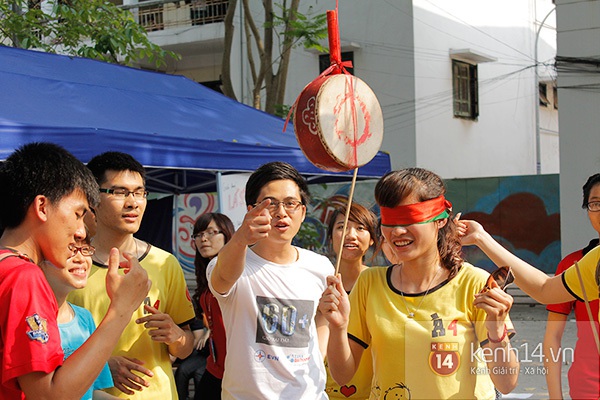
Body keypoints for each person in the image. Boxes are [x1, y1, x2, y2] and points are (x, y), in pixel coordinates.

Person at [320, 168, 519, 399]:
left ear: (440, 220)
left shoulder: (474, 283)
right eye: (390, 221)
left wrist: (496, 332)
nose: (397, 231)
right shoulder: (369, 283)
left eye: (409, 219)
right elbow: (343, 375)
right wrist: (338, 327)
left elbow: (506, 383)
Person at [0, 142, 150, 399]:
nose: (81, 231)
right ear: (42, 207)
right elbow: (50, 395)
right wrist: (121, 310)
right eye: (79, 214)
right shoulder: (24, 276)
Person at [68, 151, 196, 399]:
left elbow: (185, 347)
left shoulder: (164, 263)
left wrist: (177, 336)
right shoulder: (70, 266)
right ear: (93, 198)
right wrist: (101, 369)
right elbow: (53, 348)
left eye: (139, 192)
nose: (133, 202)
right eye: (119, 192)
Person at [207, 161, 334, 399]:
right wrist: (240, 239)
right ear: (251, 211)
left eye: (290, 203)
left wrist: (318, 355)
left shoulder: (320, 266)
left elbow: (322, 318)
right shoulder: (231, 263)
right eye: (271, 204)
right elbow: (222, 278)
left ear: (303, 212)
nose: (281, 212)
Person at [543, 174, 600, 399]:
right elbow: (552, 337)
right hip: (589, 387)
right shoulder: (573, 265)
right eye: (595, 204)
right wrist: (555, 397)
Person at [39, 236, 116, 400]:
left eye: (86, 249)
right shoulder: (32, 323)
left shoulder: (84, 317)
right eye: (71, 249)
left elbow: (92, 393)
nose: (80, 258)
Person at [324, 202, 378, 399]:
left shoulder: (381, 283)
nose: (351, 235)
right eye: (341, 227)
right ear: (331, 238)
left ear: (372, 239)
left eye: (360, 228)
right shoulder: (319, 284)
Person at [193, 213, 235, 400]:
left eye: (211, 232)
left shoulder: (236, 274)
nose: (203, 239)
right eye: (198, 234)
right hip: (215, 366)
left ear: (227, 235)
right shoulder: (206, 275)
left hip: (237, 370)